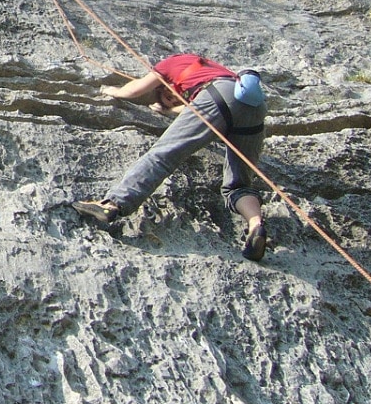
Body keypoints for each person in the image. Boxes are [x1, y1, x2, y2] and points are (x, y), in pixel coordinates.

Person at [72, 53, 269, 261]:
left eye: (169, 95)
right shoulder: (210, 68)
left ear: (165, 85)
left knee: (163, 155)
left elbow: (136, 89)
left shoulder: (171, 63)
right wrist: (170, 110)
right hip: (254, 108)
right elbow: (201, 108)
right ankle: (256, 226)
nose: (173, 98)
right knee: (238, 186)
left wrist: (112, 90)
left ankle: (112, 204)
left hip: (218, 95)